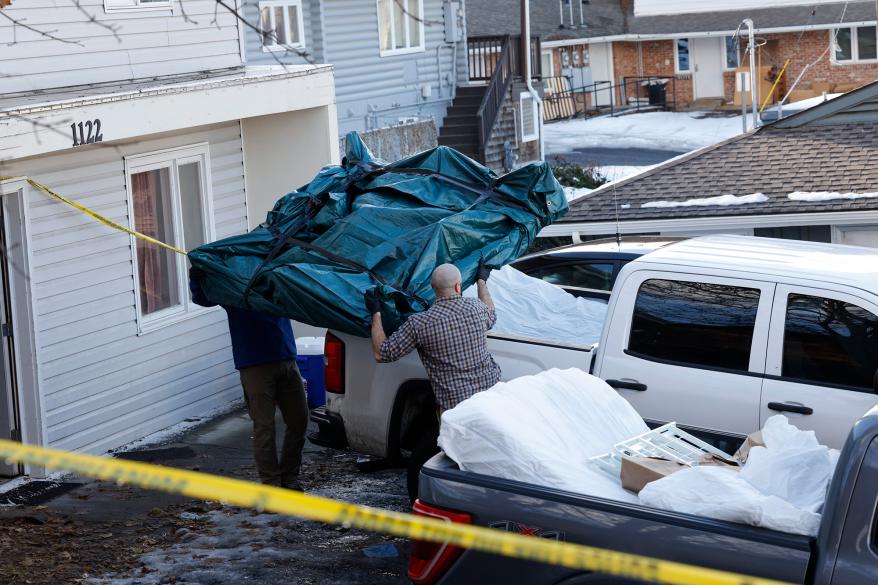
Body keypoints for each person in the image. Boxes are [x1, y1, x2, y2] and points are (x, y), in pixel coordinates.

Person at [365, 260, 501, 500]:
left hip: (454, 409)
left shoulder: (420, 324)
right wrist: (481, 281)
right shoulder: (476, 310)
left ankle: (425, 502)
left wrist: (376, 313)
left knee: (433, 457)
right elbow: (491, 313)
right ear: (459, 287)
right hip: (489, 400)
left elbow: (382, 353)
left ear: (432, 288)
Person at [190, 272, 308, 491]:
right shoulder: (233, 287)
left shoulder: (275, 280)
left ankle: (289, 477)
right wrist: (197, 276)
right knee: (264, 426)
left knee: (300, 419)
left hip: (286, 359)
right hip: (255, 366)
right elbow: (203, 298)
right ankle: (271, 485)